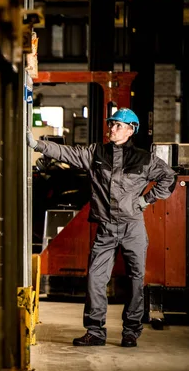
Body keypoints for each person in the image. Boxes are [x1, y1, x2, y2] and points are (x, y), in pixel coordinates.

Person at [26, 108, 177, 347]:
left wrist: (144, 200)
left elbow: (169, 178)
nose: (112, 129)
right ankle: (95, 332)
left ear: (130, 130)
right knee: (96, 279)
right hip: (106, 228)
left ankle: (130, 331)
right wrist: (37, 144)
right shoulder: (96, 152)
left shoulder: (144, 159)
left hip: (132, 227)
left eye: (118, 125)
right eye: (111, 124)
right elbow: (68, 153)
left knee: (135, 279)